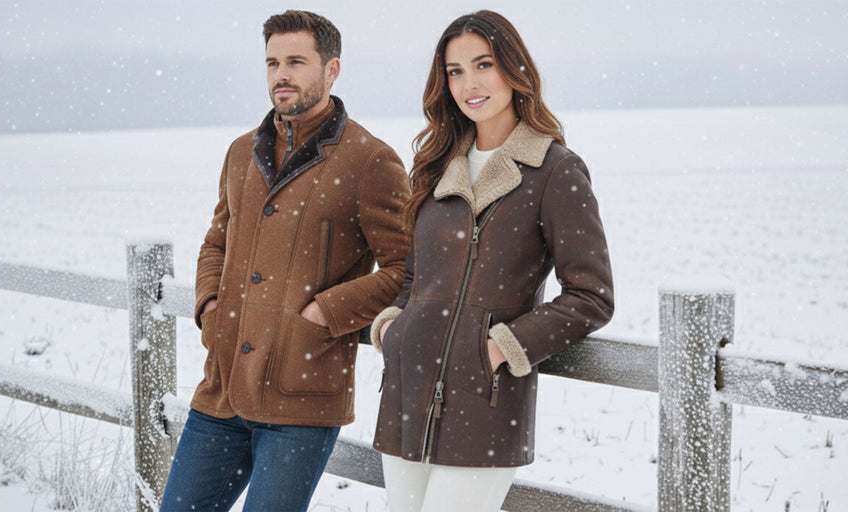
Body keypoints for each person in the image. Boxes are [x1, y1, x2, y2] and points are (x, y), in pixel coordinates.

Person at [159, 10, 410, 512]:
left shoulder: (369, 160)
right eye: (272, 62)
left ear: (331, 69)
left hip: (301, 397)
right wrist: (209, 307)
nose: (282, 74)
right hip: (222, 389)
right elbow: (216, 242)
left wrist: (325, 314)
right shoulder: (240, 153)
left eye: (296, 61)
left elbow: (407, 269)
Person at [369, 10, 615, 512]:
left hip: (486, 403)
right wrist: (392, 328)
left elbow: (591, 296)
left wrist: (500, 348)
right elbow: (414, 276)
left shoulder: (554, 171)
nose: (469, 83)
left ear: (513, 68)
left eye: (483, 65)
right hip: (406, 393)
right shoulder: (437, 167)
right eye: (455, 71)